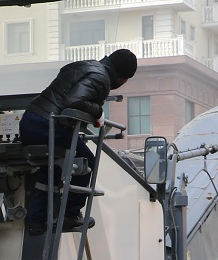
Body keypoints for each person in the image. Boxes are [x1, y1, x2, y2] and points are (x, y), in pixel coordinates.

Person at [20, 48, 136, 235]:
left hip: (31, 121)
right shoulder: (101, 78)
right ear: (124, 78)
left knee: (50, 168)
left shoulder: (86, 66)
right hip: (47, 125)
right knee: (87, 162)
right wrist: (97, 112)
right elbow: (75, 100)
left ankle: (36, 221)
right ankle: (71, 216)